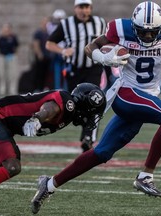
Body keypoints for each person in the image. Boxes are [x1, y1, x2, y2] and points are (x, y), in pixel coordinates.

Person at [31, 1, 161, 214]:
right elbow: (90, 47)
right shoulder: (120, 28)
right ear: (134, 26)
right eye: (143, 32)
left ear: (160, 28)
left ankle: (49, 184)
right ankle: (146, 175)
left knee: (101, 153)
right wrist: (102, 57)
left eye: (152, 33)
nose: (148, 37)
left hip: (145, 98)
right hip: (126, 94)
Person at [0, 82, 106, 216]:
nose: (91, 118)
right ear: (83, 106)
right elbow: (49, 108)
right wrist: (38, 118)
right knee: (12, 166)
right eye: (92, 113)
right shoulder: (67, 102)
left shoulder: (69, 114)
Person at [45, 0, 107, 152]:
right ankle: (83, 125)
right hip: (74, 70)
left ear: (91, 8)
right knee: (76, 106)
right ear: (75, 8)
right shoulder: (66, 24)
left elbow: (110, 40)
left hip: (93, 69)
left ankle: (88, 138)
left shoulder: (100, 22)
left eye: (86, 7)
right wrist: (63, 51)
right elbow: (49, 43)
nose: (84, 11)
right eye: (81, 7)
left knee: (95, 101)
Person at [0, 23, 20, 95]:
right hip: (2, 57)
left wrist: (14, 55)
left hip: (11, 57)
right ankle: (2, 90)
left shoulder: (13, 37)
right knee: (2, 74)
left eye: (8, 29)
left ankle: (12, 90)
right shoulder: (1, 38)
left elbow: (16, 46)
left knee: (12, 74)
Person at [32, 17, 53, 92]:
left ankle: (44, 87)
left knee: (46, 73)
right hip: (41, 56)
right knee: (39, 73)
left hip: (48, 56)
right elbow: (35, 44)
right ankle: (37, 88)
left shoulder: (49, 33)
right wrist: (39, 53)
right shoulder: (38, 33)